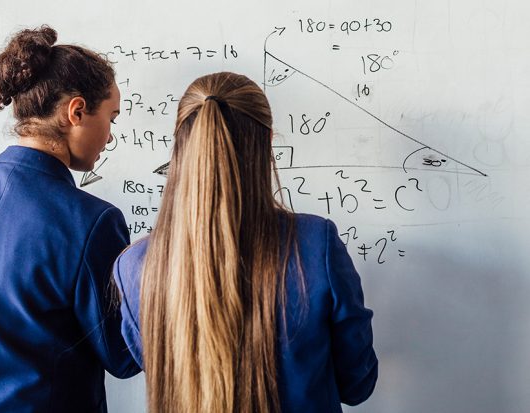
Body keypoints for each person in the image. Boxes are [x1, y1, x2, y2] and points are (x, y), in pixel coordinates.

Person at [114, 72, 378, 413]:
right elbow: (358, 384)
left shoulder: (135, 266)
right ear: (267, 142)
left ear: (180, 146)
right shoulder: (317, 246)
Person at [0, 26, 140, 412]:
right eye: (112, 118)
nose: (110, 137)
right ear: (77, 111)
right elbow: (122, 356)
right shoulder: (93, 221)